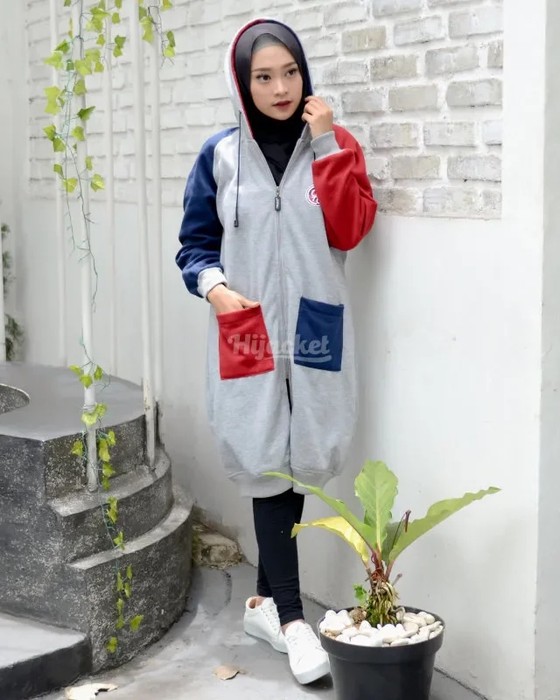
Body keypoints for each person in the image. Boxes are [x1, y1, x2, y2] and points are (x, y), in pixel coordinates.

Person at [176, 18, 377, 685]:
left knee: (303, 459)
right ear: (243, 83)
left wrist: (327, 144)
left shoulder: (333, 144)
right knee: (266, 461)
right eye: (263, 76)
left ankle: (263, 604)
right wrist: (215, 290)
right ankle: (293, 621)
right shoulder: (220, 155)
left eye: (290, 72)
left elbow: (350, 228)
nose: (280, 87)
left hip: (315, 321)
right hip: (249, 325)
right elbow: (194, 245)